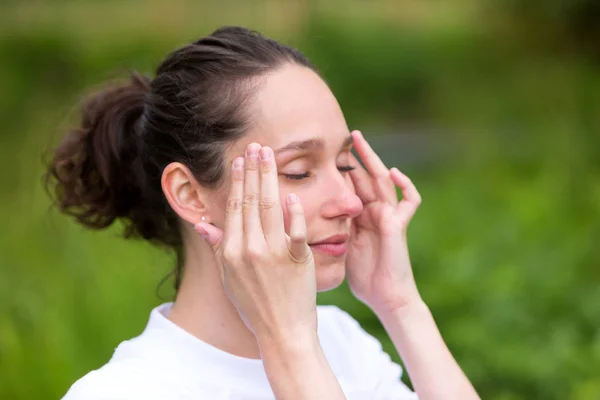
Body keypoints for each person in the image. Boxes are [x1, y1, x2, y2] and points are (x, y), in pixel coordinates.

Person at [48, 26, 479, 400]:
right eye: (298, 172)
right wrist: (288, 342)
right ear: (190, 195)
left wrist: (401, 306)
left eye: (345, 164)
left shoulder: (342, 342)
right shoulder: (123, 393)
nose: (349, 201)